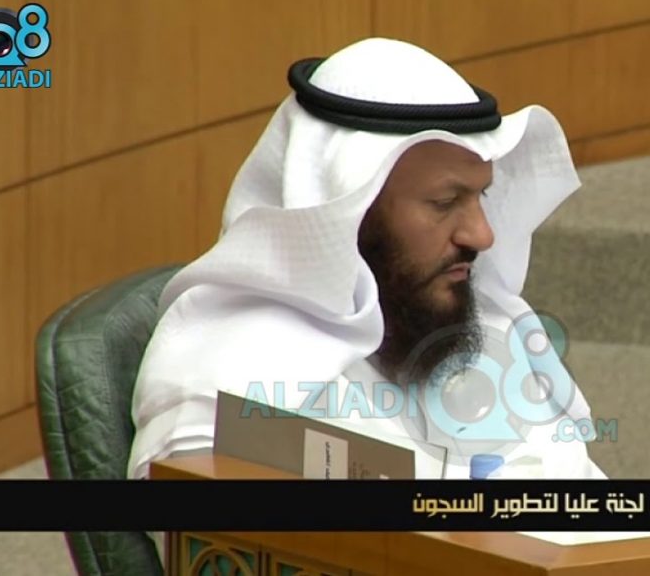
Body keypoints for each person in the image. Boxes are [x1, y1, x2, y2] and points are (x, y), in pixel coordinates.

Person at [126, 37, 607, 482]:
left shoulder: (472, 326)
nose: (482, 235)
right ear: (349, 211)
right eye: (444, 203)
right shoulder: (223, 387)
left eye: (481, 196)